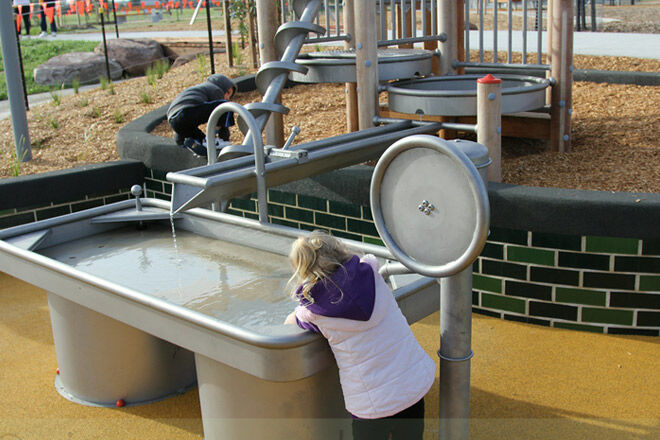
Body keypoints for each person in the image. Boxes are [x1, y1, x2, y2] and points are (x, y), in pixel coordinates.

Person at [284, 230, 436, 440]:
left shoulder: (313, 312)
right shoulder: (371, 273)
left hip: (372, 405)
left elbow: (290, 322)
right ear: (340, 250)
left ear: (304, 271)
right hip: (411, 387)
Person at [166, 74, 236, 157]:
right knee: (225, 106)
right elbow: (219, 113)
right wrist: (225, 138)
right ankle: (213, 140)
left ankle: (192, 143)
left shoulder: (200, 89)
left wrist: (179, 139)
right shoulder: (215, 89)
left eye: (230, 96)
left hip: (174, 119)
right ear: (221, 86)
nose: (228, 97)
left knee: (201, 140)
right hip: (187, 111)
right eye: (227, 93)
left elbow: (181, 118)